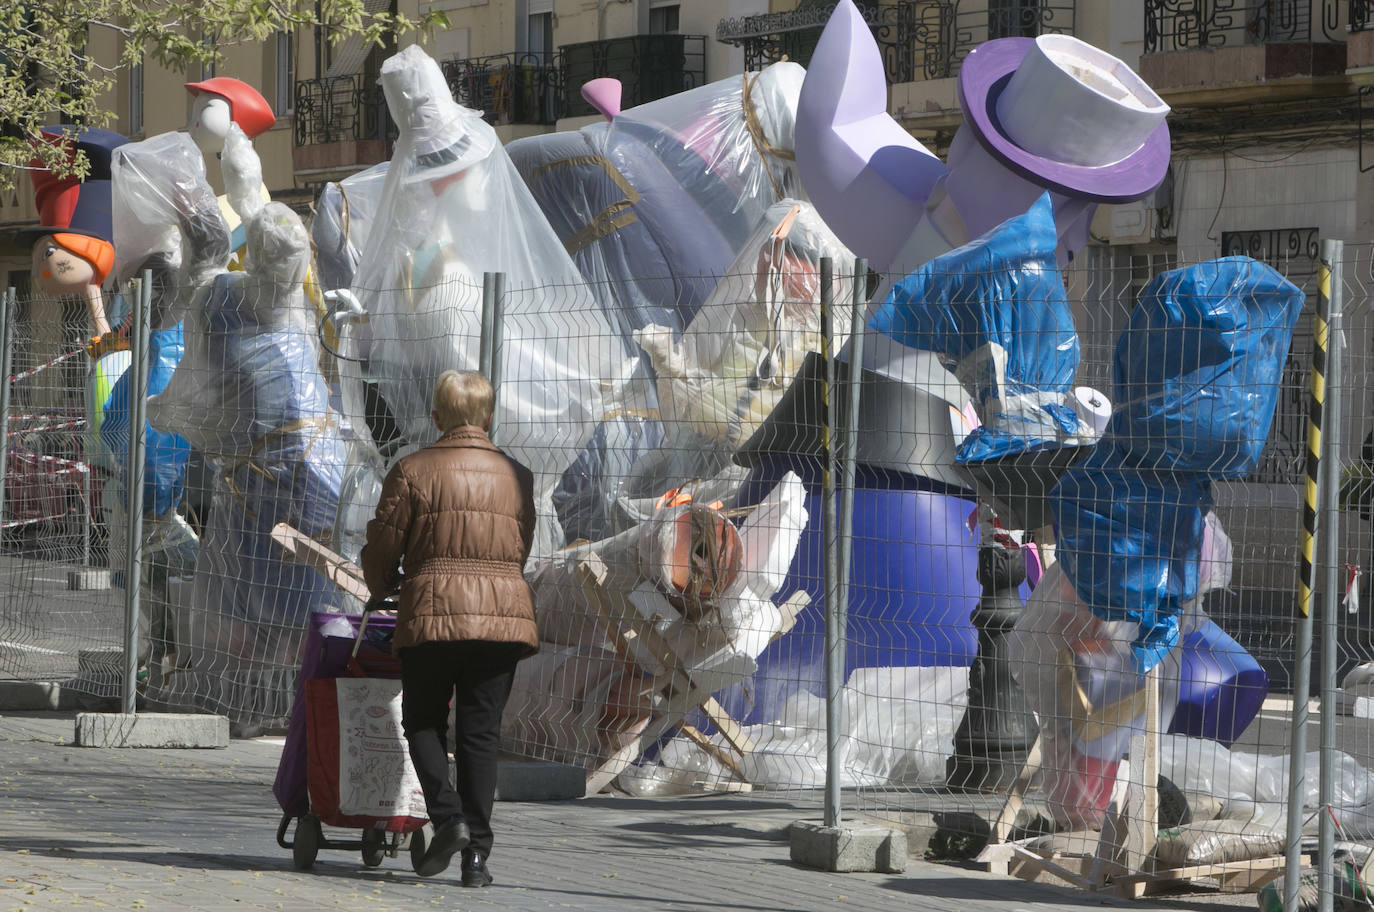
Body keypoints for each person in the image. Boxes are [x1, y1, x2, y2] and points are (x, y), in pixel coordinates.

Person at [360, 370, 539, 887]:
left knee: (421, 721)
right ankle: (477, 860)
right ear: (489, 418)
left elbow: (382, 546)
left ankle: (449, 818)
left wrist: (383, 583)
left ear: (436, 417)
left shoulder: (413, 469)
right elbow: (519, 548)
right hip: (502, 617)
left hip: (433, 613)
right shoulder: (518, 476)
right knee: (481, 737)